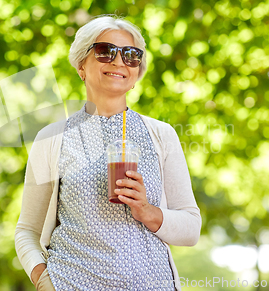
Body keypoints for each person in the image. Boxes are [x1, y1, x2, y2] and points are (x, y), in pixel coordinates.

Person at [14, 15, 201, 291]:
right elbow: (27, 230)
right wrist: (43, 279)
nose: (118, 62)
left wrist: (146, 210)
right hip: (71, 285)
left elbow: (191, 227)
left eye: (131, 56)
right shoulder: (51, 140)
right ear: (81, 65)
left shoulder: (161, 135)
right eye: (105, 52)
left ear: (137, 72)